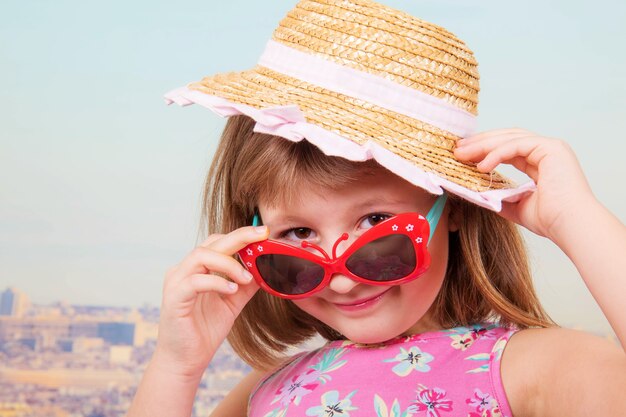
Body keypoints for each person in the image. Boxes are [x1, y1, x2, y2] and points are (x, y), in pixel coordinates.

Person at [127, 0, 626, 416]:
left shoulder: (535, 367)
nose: (342, 278)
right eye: (298, 235)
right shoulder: (267, 390)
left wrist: (576, 220)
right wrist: (177, 366)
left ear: (451, 207)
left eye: (375, 224)